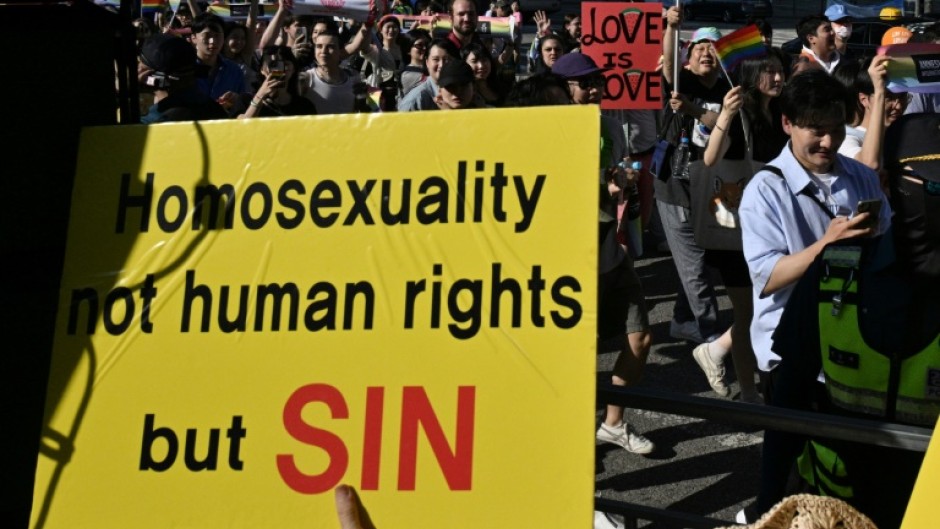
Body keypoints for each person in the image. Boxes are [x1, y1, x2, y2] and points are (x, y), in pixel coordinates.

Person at [765, 112, 940, 529]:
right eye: (933, 185)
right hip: (835, 509)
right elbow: (788, 400)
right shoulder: (836, 272)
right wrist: (767, 504)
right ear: (888, 186)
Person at [738, 69, 891, 520]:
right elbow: (767, 276)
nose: (828, 141)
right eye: (816, 130)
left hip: (855, 343)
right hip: (792, 353)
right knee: (789, 481)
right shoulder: (765, 189)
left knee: (847, 475)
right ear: (788, 123)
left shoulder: (861, 177)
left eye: (837, 128)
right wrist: (826, 246)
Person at [552, 53, 655, 455]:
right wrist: (602, 184)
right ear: (563, 90)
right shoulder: (551, 129)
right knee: (577, 354)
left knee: (641, 336)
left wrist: (623, 186)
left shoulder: (612, 127)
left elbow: (616, 184)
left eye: (597, 82)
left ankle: (613, 423)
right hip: (567, 253)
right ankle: (567, 442)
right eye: (584, 83)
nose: (594, 89)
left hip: (609, 243)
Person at [695, 49, 788, 403]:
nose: (778, 78)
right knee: (748, 312)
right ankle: (749, 391)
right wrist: (725, 114)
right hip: (735, 232)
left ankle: (719, 352)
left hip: (771, 224)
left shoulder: (781, 112)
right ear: (751, 76)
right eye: (769, 72)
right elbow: (710, 158)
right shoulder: (739, 114)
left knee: (766, 308)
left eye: (780, 71)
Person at [660, 9, 728, 346]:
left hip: (711, 188)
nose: (705, 52)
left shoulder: (729, 89)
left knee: (699, 259)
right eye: (699, 47)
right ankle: (710, 332)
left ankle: (682, 319)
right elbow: (670, 61)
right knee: (696, 263)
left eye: (712, 47)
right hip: (674, 186)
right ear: (689, 57)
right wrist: (672, 28)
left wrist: (695, 110)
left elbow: (723, 122)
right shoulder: (679, 83)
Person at [834, 55, 907, 172]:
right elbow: (868, 165)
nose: (898, 106)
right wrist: (879, 92)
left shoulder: (905, 136)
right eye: (888, 98)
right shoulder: (848, 138)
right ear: (864, 99)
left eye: (902, 97)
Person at [138, 33, 228, 123]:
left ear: (155, 78)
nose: (138, 69)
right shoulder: (215, 110)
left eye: (140, 63)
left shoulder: (151, 121)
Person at [189, 13, 249, 115]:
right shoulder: (183, 69)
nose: (212, 41)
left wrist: (236, 99)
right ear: (194, 38)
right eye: (207, 36)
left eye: (217, 36)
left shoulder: (234, 70)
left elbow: (242, 106)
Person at [239, 46, 317, 118]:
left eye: (285, 64)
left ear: (293, 69)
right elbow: (243, 128)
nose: (279, 69)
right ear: (262, 70)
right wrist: (260, 95)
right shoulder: (246, 100)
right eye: (272, 64)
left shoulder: (304, 106)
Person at [302, 28, 364, 114]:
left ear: (340, 51)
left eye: (330, 47)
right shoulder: (306, 79)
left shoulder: (354, 79)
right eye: (319, 46)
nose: (323, 51)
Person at [398, 38, 459, 112]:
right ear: (427, 62)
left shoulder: (463, 92)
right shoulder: (416, 100)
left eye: (447, 59)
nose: (441, 65)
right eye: (436, 59)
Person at [400, 29, 432, 96]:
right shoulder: (407, 75)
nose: (424, 48)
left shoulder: (431, 68)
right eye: (419, 45)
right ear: (408, 49)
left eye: (427, 44)